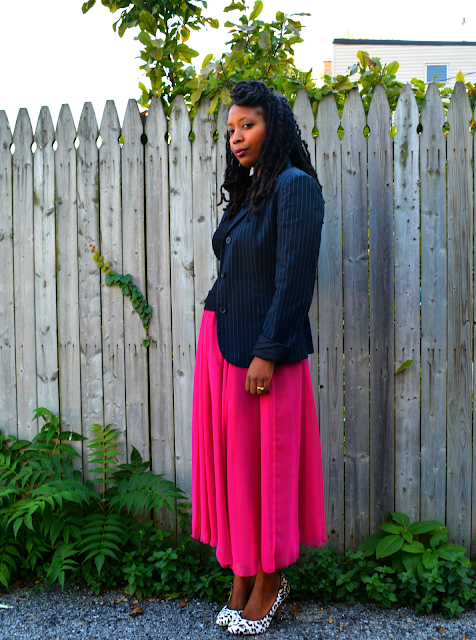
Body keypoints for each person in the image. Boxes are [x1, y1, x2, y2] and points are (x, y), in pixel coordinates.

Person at [190, 80, 327, 635]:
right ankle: (243, 573)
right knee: (238, 470)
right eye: (230, 129)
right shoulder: (252, 190)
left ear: (274, 127)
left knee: (265, 467)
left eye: (247, 125)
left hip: (262, 352)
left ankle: (270, 579)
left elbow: (296, 278)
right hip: (222, 344)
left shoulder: (296, 188)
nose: (237, 137)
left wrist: (268, 353)